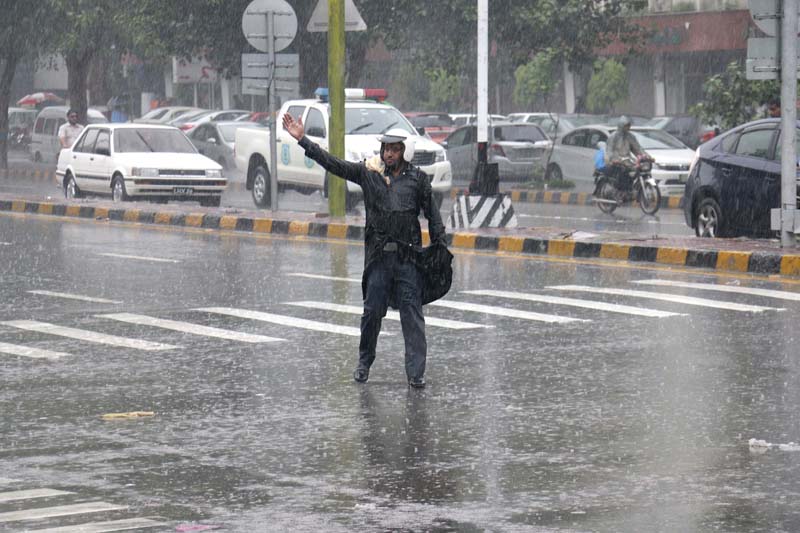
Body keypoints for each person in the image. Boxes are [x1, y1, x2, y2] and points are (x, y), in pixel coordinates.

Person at [282, 113, 446, 389]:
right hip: (379, 260)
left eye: (395, 149)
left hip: (408, 259)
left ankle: (416, 373)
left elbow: (433, 215)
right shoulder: (368, 173)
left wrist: (440, 245)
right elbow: (334, 164)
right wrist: (303, 140)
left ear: (406, 152)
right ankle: (363, 363)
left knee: (412, 316)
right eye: (386, 148)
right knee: (371, 314)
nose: (389, 153)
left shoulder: (417, 180)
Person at [604, 115, 643, 190]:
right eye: (626, 126)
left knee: (636, 172)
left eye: (629, 126)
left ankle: (630, 190)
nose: (628, 128)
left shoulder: (630, 136)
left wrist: (646, 156)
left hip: (627, 161)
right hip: (615, 162)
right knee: (622, 175)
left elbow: (638, 149)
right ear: (621, 126)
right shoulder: (613, 136)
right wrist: (613, 159)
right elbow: (609, 150)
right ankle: (620, 191)